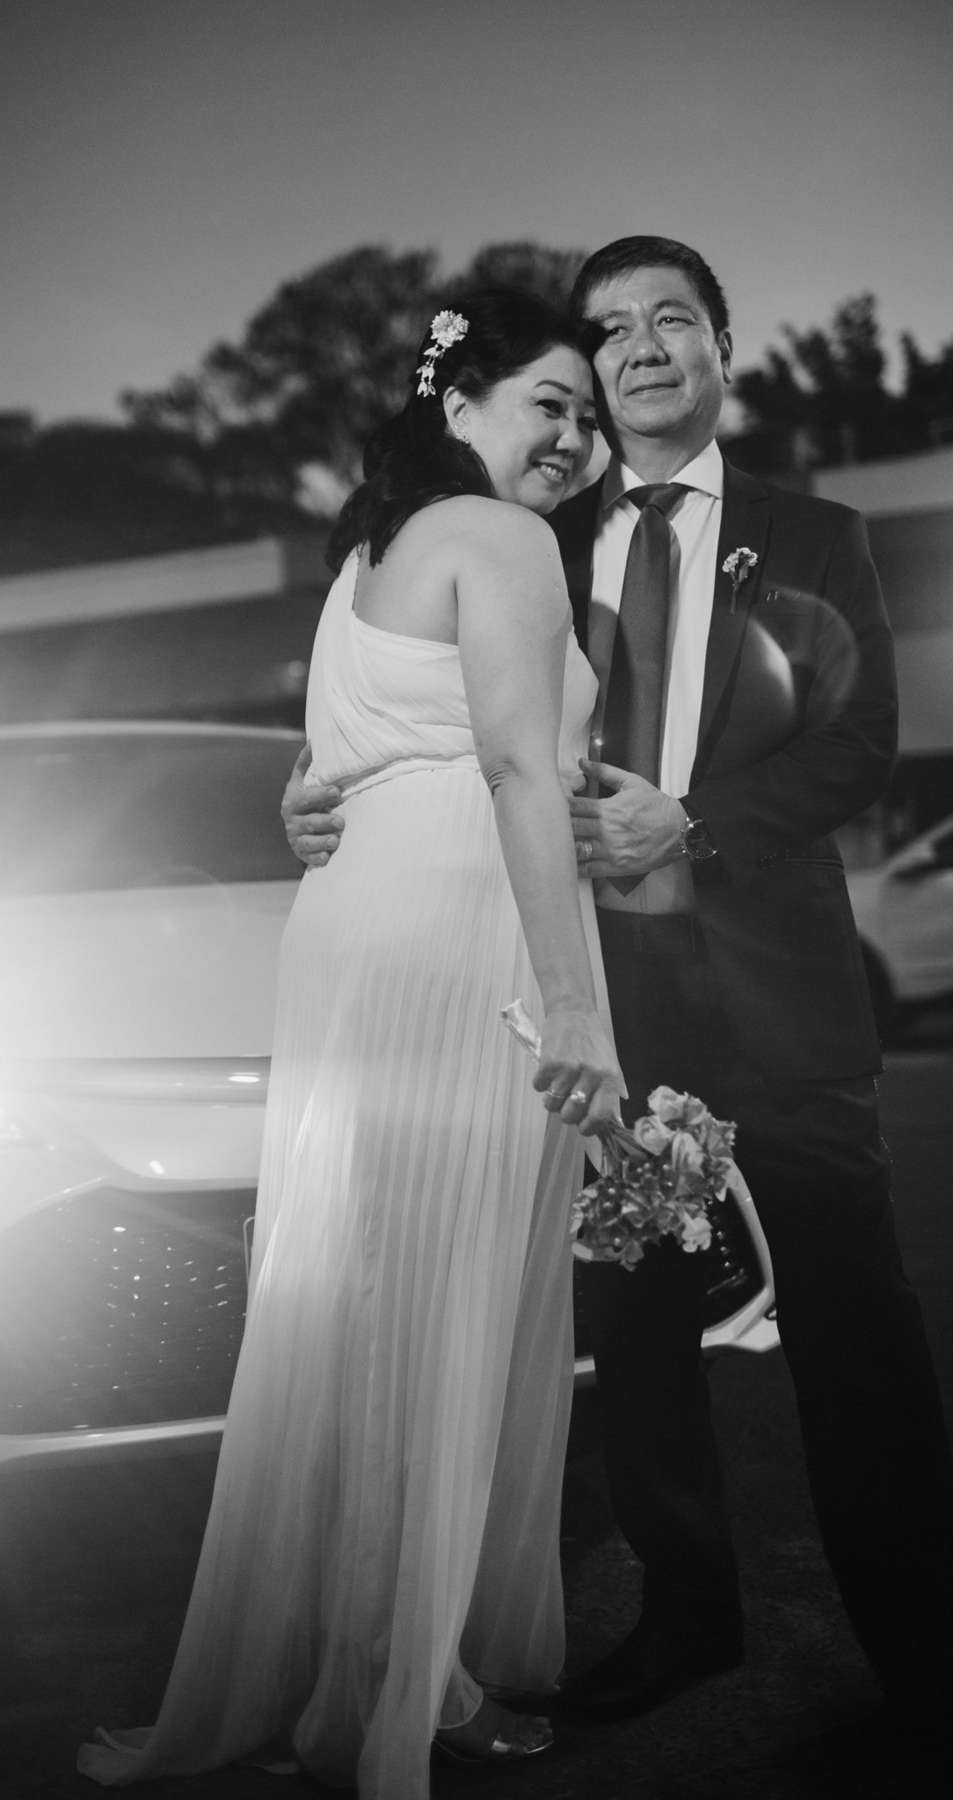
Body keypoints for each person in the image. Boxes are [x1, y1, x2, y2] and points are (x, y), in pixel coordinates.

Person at [286, 238, 953, 1760]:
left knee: (858, 1336)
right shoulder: (522, 518)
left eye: (673, 322)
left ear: (722, 346)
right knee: (640, 1356)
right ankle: (687, 1615)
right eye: (610, 333)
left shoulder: (818, 531)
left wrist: (695, 823)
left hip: (778, 1010)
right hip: (584, 1001)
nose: (641, 351)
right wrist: (313, 789)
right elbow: (423, 708)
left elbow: (855, 747)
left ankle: (923, 1647)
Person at [79, 288, 622, 1796]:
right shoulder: (504, 543)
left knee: (370, 1302)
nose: (576, 437)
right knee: (437, 1307)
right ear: (456, 408)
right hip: (462, 946)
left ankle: (383, 1655)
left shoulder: (365, 562)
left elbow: (346, 771)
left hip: (361, 935)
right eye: (549, 404)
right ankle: (411, 1682)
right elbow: (512, 763)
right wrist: (574, 1003)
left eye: (589, 417)